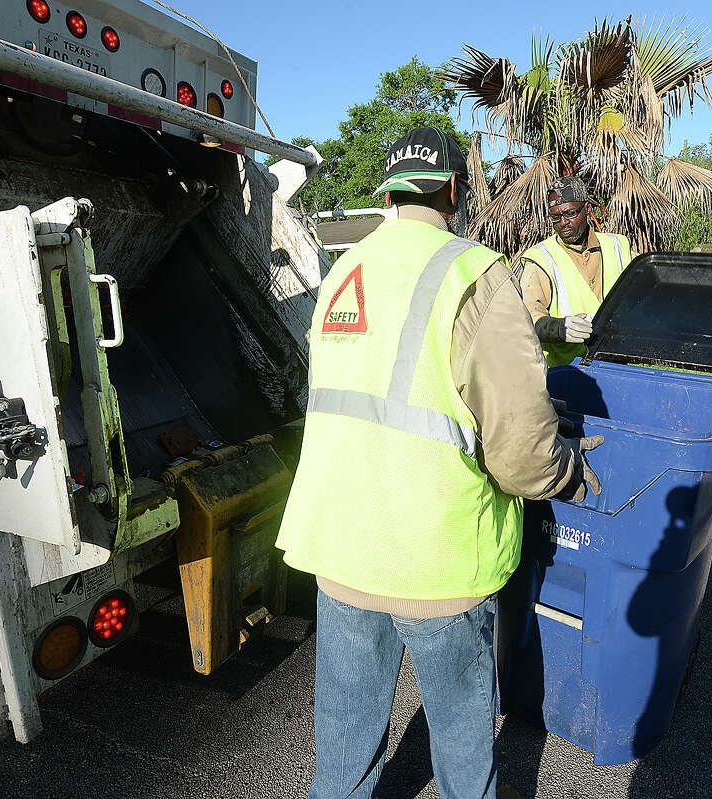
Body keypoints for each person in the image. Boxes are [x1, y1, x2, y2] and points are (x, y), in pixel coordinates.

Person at [275, 127, 603, 799]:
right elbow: (519, 455)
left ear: (389, 189)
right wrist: (566, 468)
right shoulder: (474, 273)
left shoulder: (345, 270)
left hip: (339, 546)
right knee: (462, 757)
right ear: (454, 188)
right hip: (437, 561)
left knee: (341, 764)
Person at [518, 176, 633, 367]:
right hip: (567, 373)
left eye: (570, 213)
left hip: (617, 365)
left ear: (587, 209)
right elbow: (527, 316)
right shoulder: (541, 258)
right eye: (555, 217)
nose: (562, 222)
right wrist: (560, 328)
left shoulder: (618, 246)